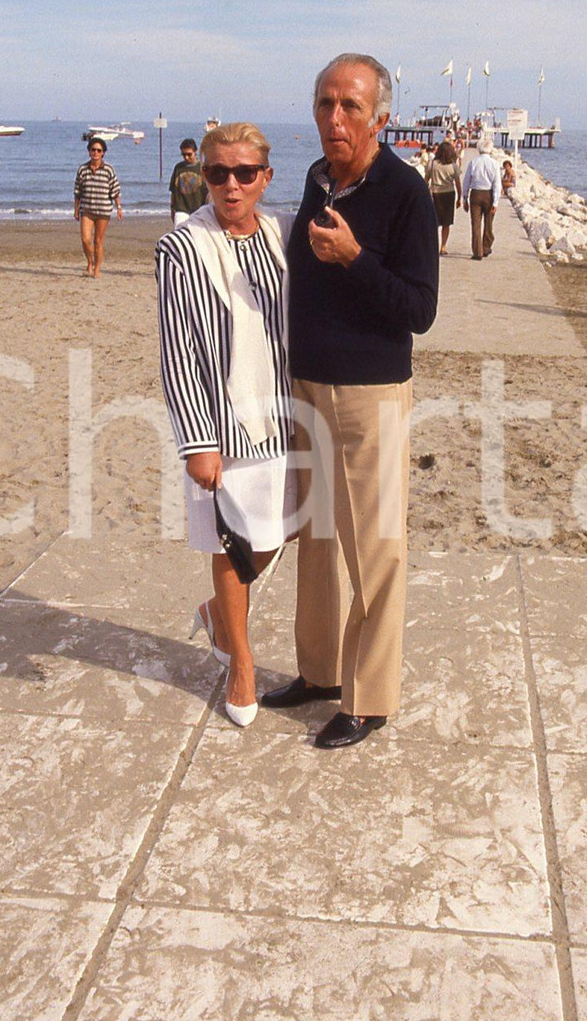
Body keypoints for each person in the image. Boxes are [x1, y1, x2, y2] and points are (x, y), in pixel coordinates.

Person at [261, 53, 438, 749]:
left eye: (351, 106)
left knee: (376, 549)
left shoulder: (404, 193)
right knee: (317, 541)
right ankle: (319, 672)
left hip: (369, 393)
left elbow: (420, 308)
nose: (335, 117)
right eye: (325, 102)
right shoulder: (314, 180)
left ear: (381, 117)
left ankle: (369, 698)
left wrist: (356, 258)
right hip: (307, 388)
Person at [155, 122, 297, 728]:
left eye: (245, 173)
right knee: (234, 543)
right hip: (223, 424)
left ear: (266, 176)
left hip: (286, 414)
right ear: (202, 177)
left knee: (277, 535)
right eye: (218, 174)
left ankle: (217, 613)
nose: (231, 186)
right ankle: (241, 661)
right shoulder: (182, 248)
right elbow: (177, 348)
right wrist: (198, 441)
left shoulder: (281, 232)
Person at [73, 138, 123, 277]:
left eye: (99, 150)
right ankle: (90, 262)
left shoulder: (108, 169)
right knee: (85, 239)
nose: (95, 152)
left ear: (103, 153)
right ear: (89, 152)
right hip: (87, 210)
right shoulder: (82, 170)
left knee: (98, 241)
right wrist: (76, 209)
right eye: (93, 150)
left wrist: (119, 207)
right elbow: (77, 191)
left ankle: (97, 269)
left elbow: (115, 190)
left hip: (103, 211)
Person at [462, 135, 502, 259]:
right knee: (489, 223)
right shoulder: (494, 164)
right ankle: (486, 246)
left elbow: (466, 181)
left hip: (475, 194)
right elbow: (497, 184)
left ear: (479, 149)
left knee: (475, 224)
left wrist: (464, 197)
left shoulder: (473, 162)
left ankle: (477, 252)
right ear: (490, 150)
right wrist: (495, 202)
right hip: (488, 194)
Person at [426, 137, 463, 254]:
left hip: (435, 194)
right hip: (448, 195)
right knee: (446, 223)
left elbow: (425, 181)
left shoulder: (432, 164)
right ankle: (443, 247)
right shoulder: (453, 166)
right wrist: (459, 198)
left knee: (434, 222)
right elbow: (458, 184)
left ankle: (432, 246)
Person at [168, 138, 208, 225]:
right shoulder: (178, 168)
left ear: (195, 152)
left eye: (189, 154)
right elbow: (173, 190)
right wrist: (172, 209)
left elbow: (209, 191)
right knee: (180, 234)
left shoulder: (203, 168)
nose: (186, 157)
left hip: (199, 209)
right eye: (183, 155)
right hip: (181, 209)